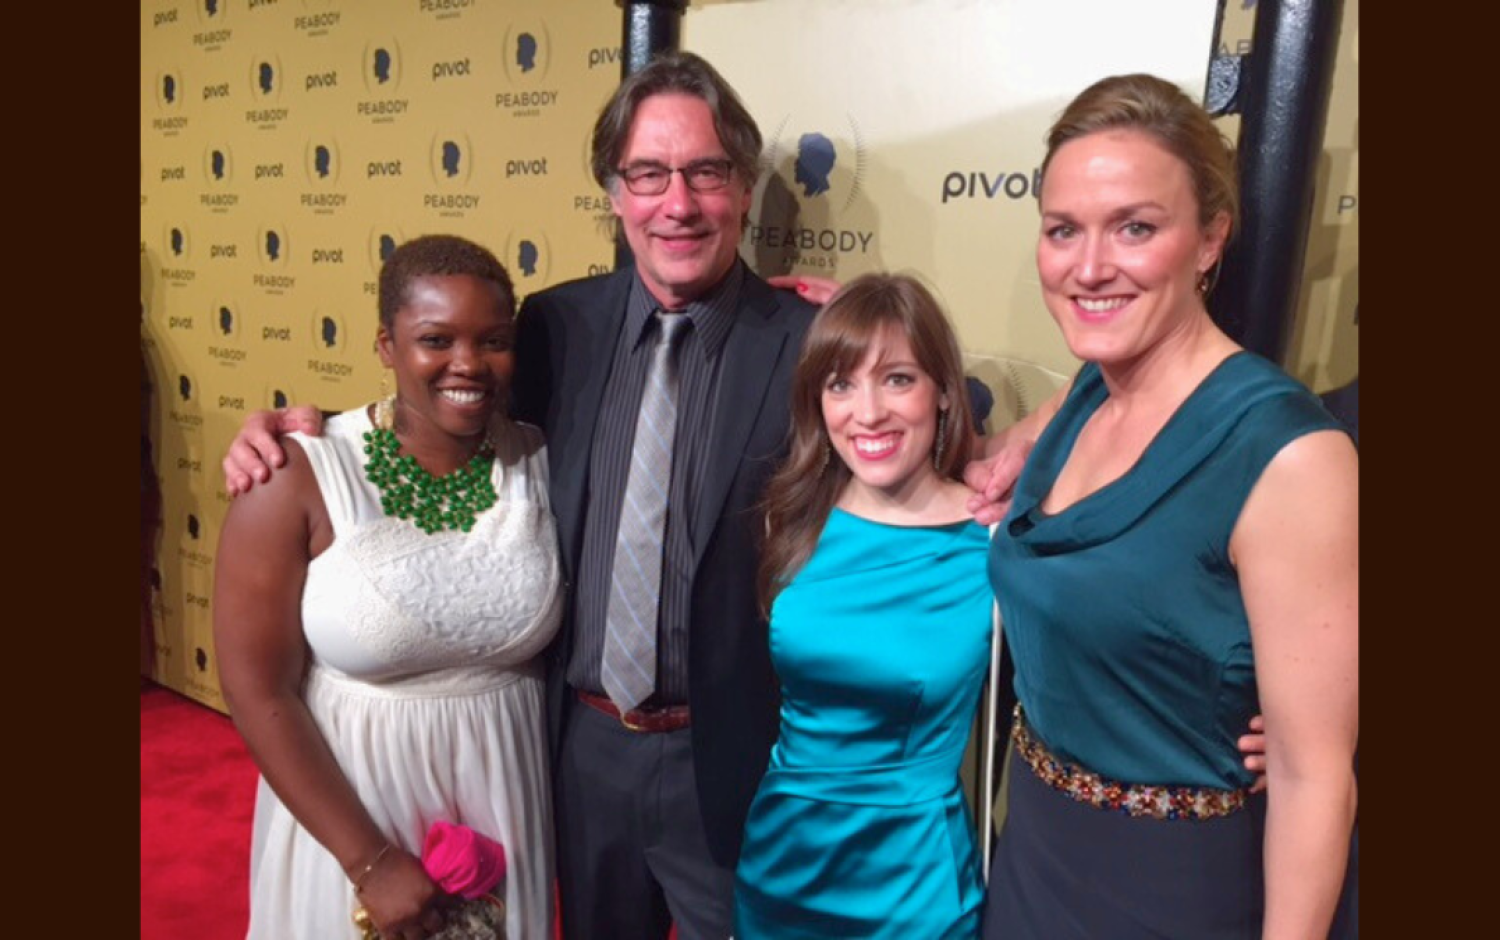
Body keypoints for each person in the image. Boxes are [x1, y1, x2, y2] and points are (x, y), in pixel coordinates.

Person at [223, 52, 821, 940]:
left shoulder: (811, 344)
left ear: (742, 184)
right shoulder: (552, 326)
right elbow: (439, 405)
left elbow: (919, 422)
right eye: (647, 174)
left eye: (706, 173)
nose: (678, 203)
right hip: (571, 759)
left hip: (727, 761)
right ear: (614, 192)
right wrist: (296, 429)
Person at [977, 74, 1358, 938]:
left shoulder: (1291, 455)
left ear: (1210, 239)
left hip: (1170, 893)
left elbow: (1311, 777)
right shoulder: (1081, 394)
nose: (1089, 266)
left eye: (1136, 228)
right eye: (1063, 230)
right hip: (1033, 848)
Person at [213, 235, 561, 939]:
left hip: (506, 805)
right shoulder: (294, 474)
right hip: (355, 818)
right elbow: (256, 690)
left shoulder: (544, 458)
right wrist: (368, 861)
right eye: (435, 339)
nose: (467, 363)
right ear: (385, 345)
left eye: (492, 340)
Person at [735, 273, 990, 938]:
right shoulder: (790, 517)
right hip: (780, 867)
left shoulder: (991, 540)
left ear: (942, 391)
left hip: (911, 888)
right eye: (841, 383)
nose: (867, 412)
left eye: (898, 378)